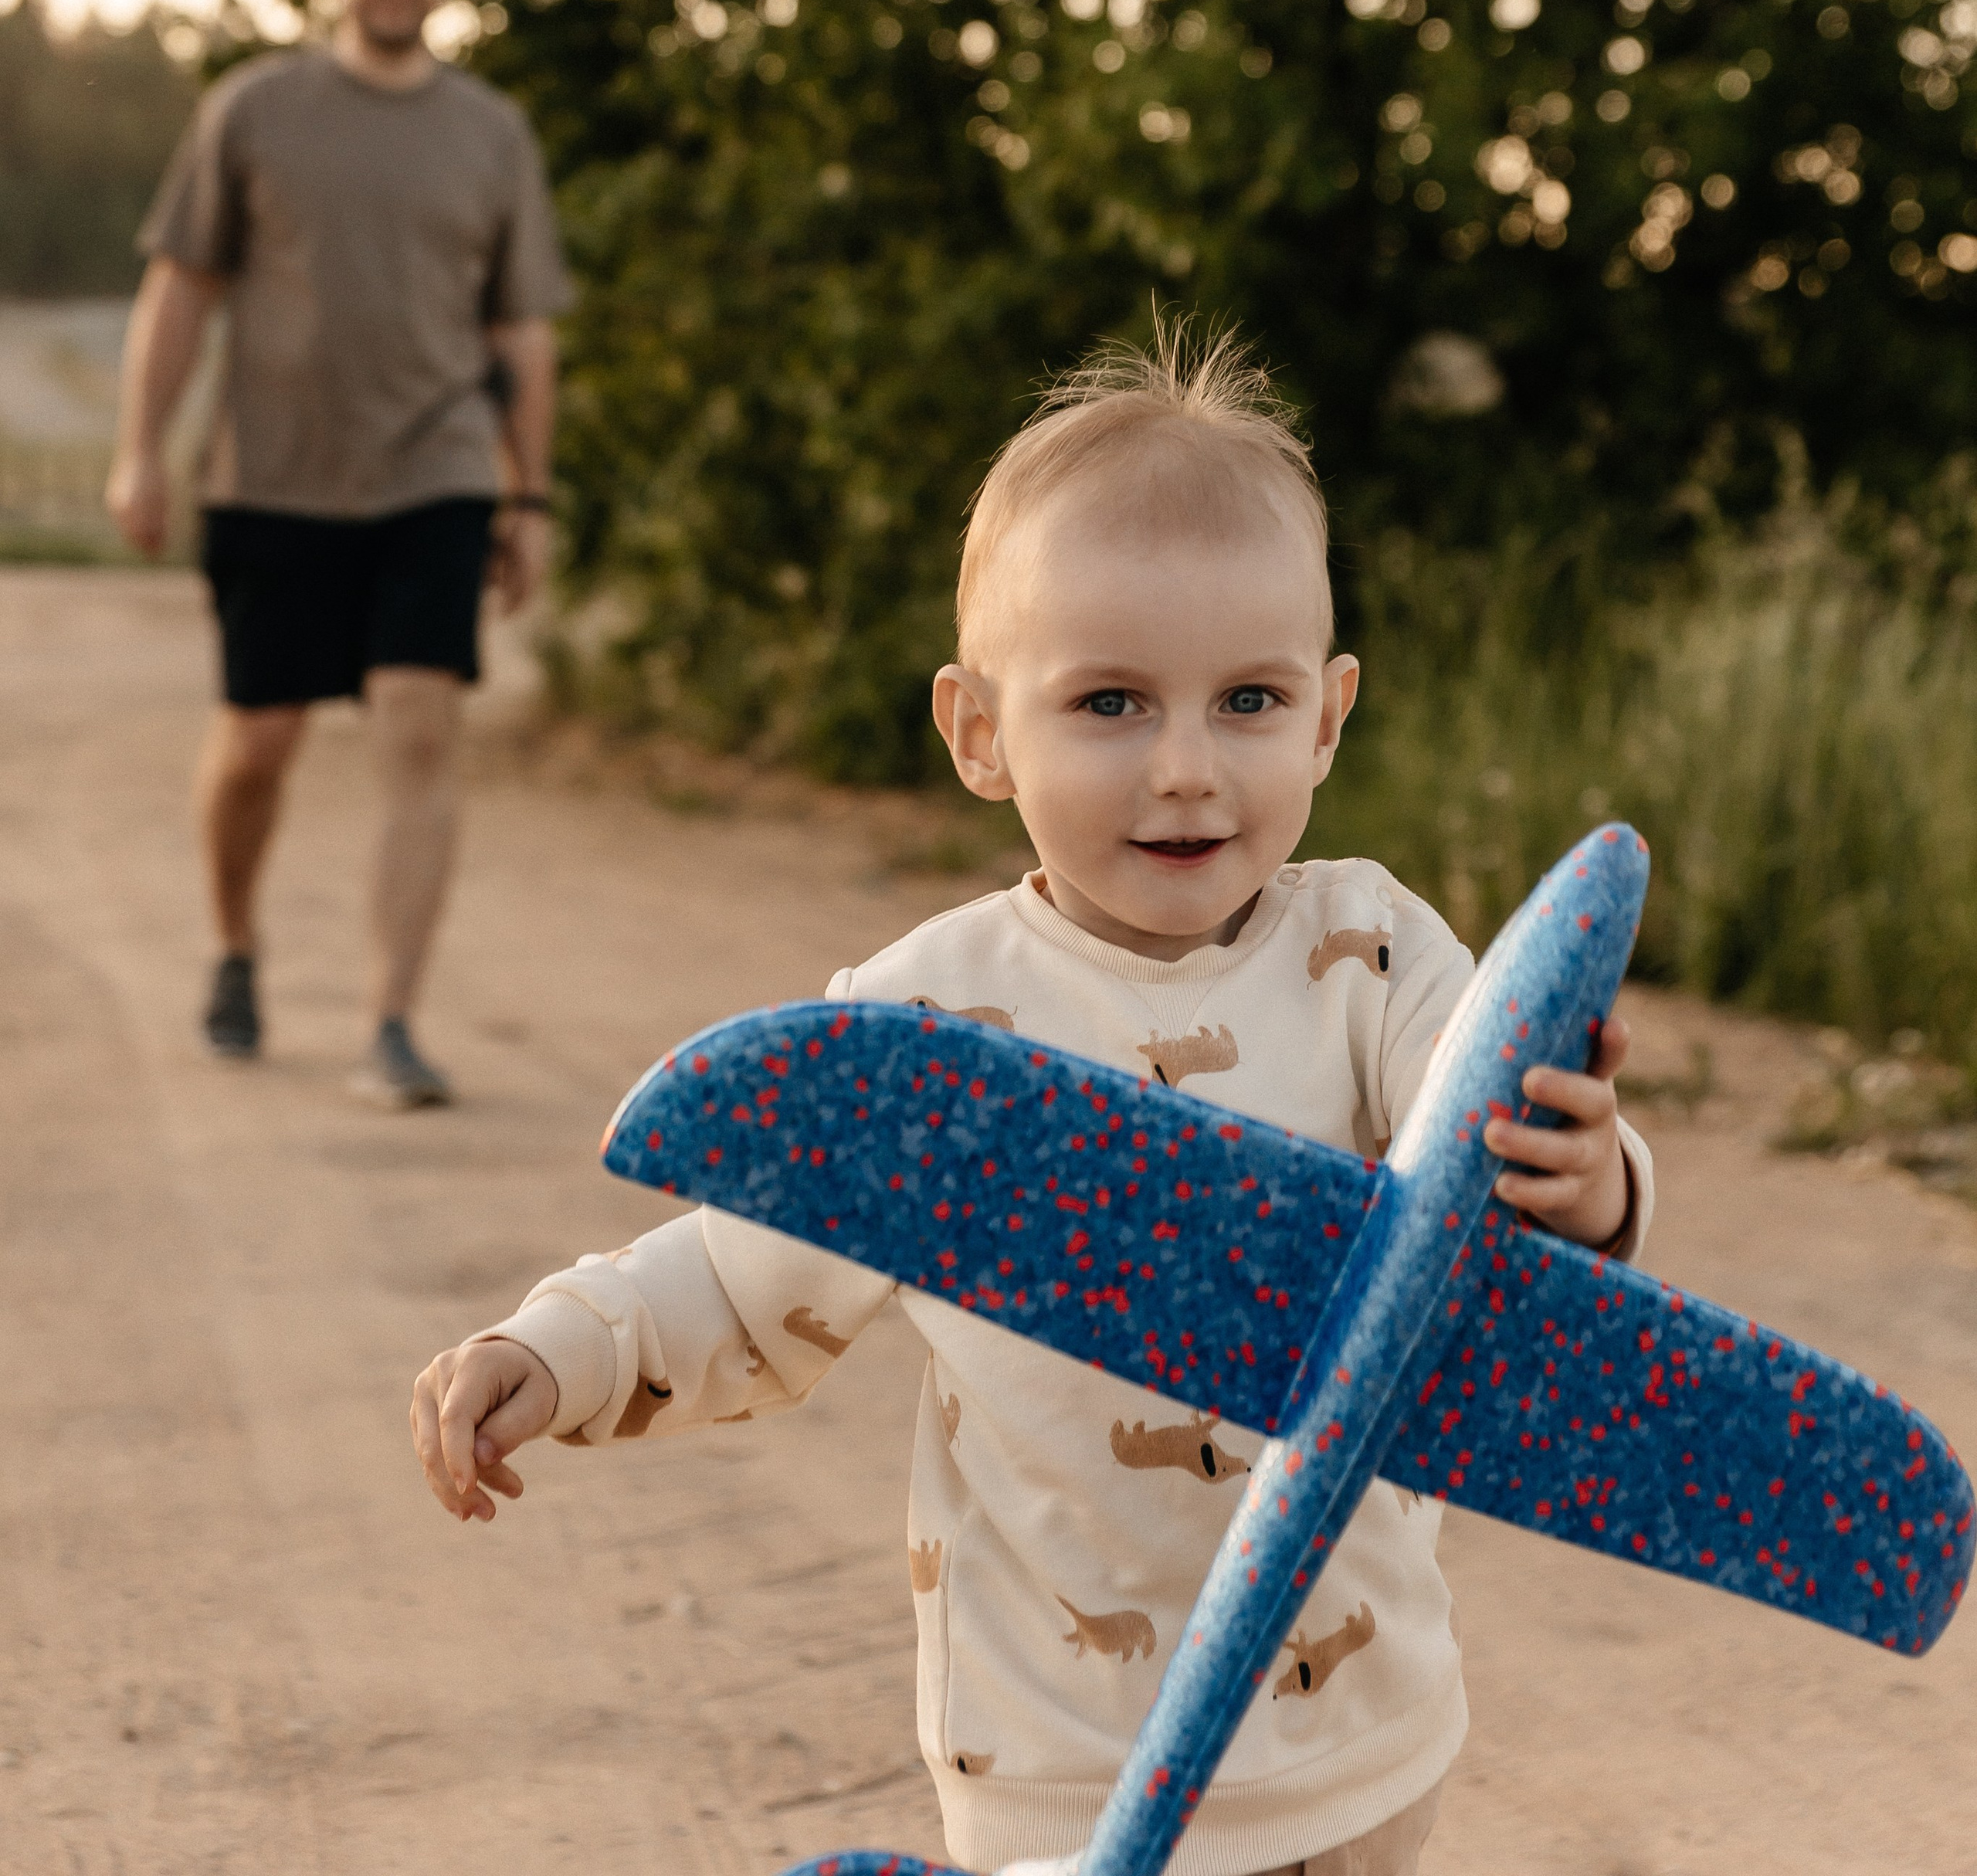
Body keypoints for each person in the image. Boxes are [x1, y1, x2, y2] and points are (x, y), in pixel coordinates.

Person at [409, 332, 1652, 1873]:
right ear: (979, 731)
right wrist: (560, 1347)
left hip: (1356, 1735)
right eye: (1113, 702)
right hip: (1065, 1755)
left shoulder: (1376, 956)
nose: (1188, 769)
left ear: (1328, 716)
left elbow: (1492, 1184)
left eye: (1247, 699)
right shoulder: (925, 1029)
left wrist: (1580, 1181)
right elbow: (738, 1270)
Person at [107, 0, 572, 1107]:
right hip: (271, 479)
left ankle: (394, 1022)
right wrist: (139, 448)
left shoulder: (489, 132)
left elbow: (523, 331)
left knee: (421, 723)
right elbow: (181, 290)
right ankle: (236, 946)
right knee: (259, 745)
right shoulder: (253, 109)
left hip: (435, 470)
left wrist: (528, 496)